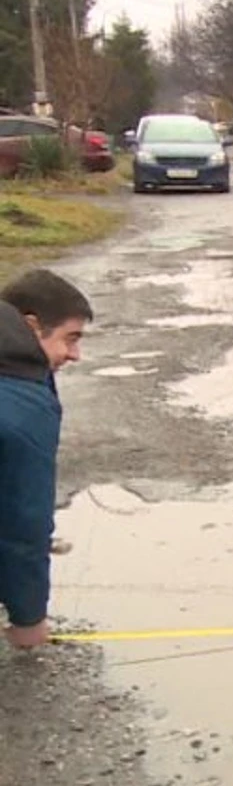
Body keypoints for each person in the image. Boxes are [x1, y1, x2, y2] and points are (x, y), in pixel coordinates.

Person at [0, 269, 90, 649]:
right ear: (32, 326)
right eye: (70, 338)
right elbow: (23, 522)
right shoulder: (22, 404)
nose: (75, 354)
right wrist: (29, 618)